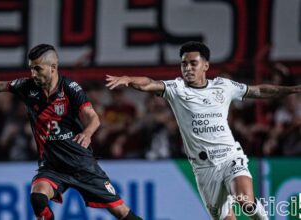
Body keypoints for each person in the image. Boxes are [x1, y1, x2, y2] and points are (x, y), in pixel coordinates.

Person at [0, 44, 142, 220]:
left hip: (81, 164)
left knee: (120, 211)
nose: (33, 74)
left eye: (38, 69)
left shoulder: (70, 88)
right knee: (37, 196)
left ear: (53, 67)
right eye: (31, 68)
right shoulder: (27, 87)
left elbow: (93, 117)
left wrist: (87, 133)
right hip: (52, 167)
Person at [106, 41, 300, 220]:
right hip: (204, 168)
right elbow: (149, 83)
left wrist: (290, 90)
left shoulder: (223, 86)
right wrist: (129, 79)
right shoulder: (177, 89)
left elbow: (258, 91)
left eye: (193, 63)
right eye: (184, 64)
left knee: (245, 201)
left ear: (205, 66)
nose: (187, 68)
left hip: (229, 157)